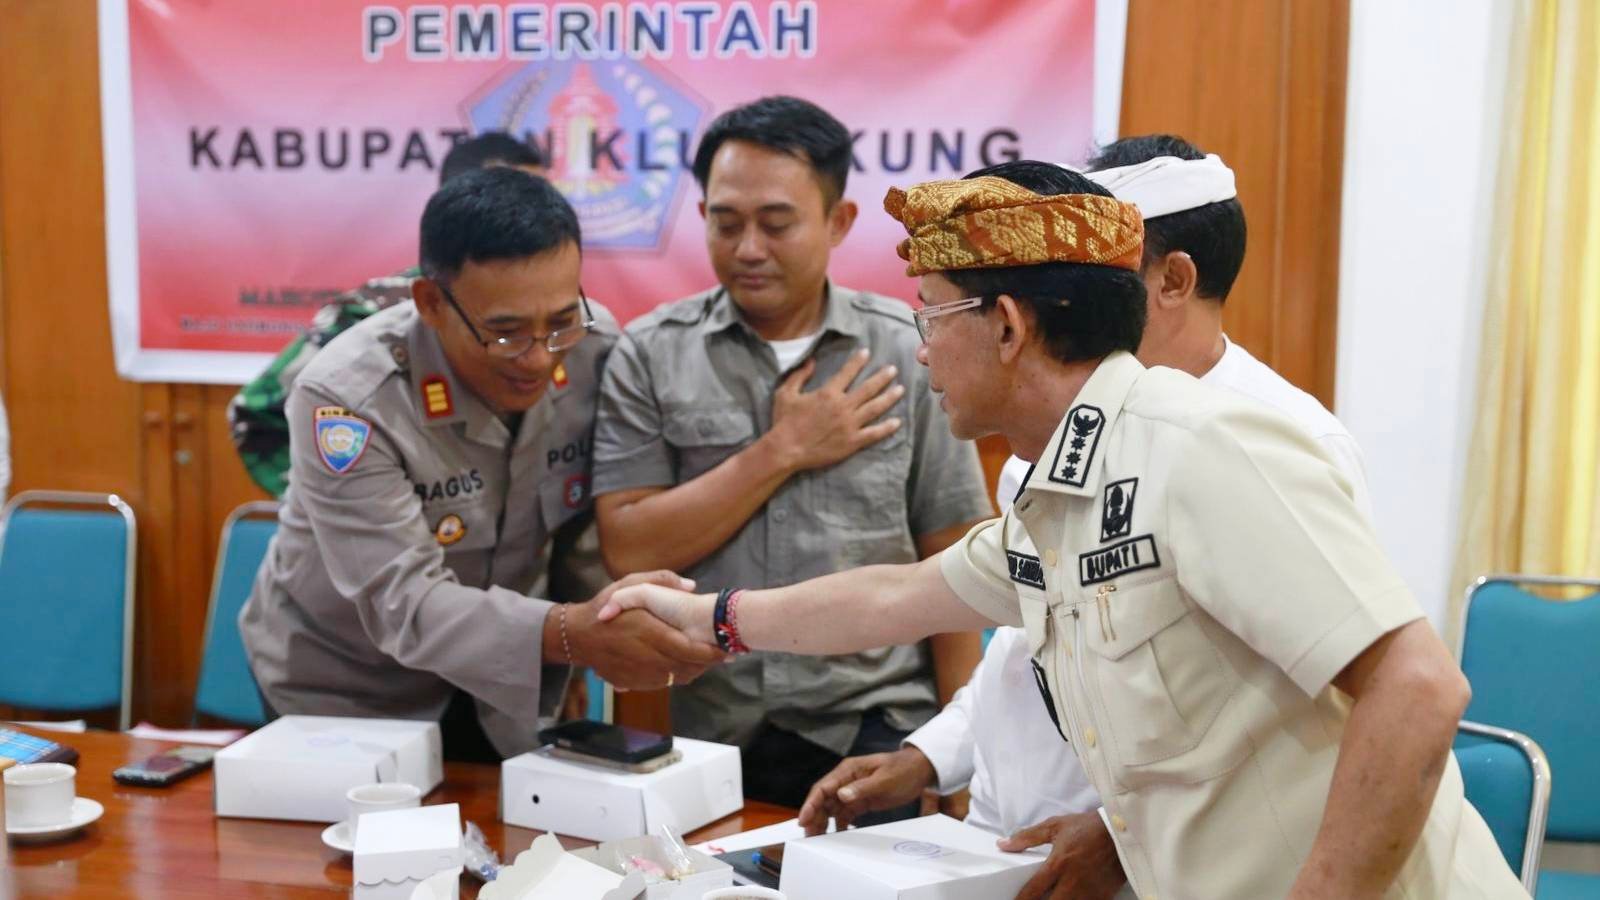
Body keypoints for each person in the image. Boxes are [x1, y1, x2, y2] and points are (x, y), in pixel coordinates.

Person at [600, 161, 1525, 898]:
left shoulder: (1199, 446)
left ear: (1007, 327)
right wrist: (715, 619)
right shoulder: (1066, 485)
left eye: (932, 314)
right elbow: (897, 596)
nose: (920, 349)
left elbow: (1417, 687)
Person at [801, 137, 1375, 899]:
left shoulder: (1279, 438)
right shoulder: (1053, 430)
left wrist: (1116, 835)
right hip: (1010, 835)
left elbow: (1332, 698)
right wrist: (934, 754)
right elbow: (1031, 632)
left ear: (1172, 280)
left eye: (1096, 265)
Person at [590, 96, 992, 812]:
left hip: (871, 727)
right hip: (708, 730)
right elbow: (628, 547)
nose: (749, 248)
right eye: (726, 223)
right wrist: (782, 450)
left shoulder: (908, 349)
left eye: (776, 224)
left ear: (839, 221)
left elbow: (956, 566)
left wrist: (955, 763)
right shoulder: (649, 354)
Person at [239, 167, 722, 762]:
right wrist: (568, 635)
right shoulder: (348, 400)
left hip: (498, 684)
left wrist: (582, 646)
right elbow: (403, 601)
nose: (539, 358)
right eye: (506, 333)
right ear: (431, 303)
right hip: (349, 688)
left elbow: (579, 535)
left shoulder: (593, 349)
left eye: (560, 321)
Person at [229, 132, 546, 498]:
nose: (542, 220)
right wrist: (339, 500)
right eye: (519, 204)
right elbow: (256, 416)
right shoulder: (373, 314)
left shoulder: (560, 318)